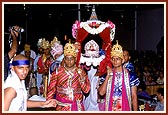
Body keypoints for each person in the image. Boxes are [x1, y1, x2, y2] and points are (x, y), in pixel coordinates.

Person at [47, 41, 91, 111]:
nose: (69, 61)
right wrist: (48, 104)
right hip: (61, 107)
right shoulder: (57, 71)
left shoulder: (81, 72)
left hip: (77, 107)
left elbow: (86, 90)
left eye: (71, 59)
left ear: (75, 59)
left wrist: (82, 78)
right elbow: (51, 90)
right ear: (64, 59)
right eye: (67, 58)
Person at [98, 40, 140, 111]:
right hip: (110, 107)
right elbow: (101, 93)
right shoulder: (107, 75)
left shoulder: (131, 76)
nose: (115, 61)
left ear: (122, 60)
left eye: (117, 59)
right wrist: (108, 76)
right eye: (113, 59)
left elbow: (134, 96)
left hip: (124, 106)